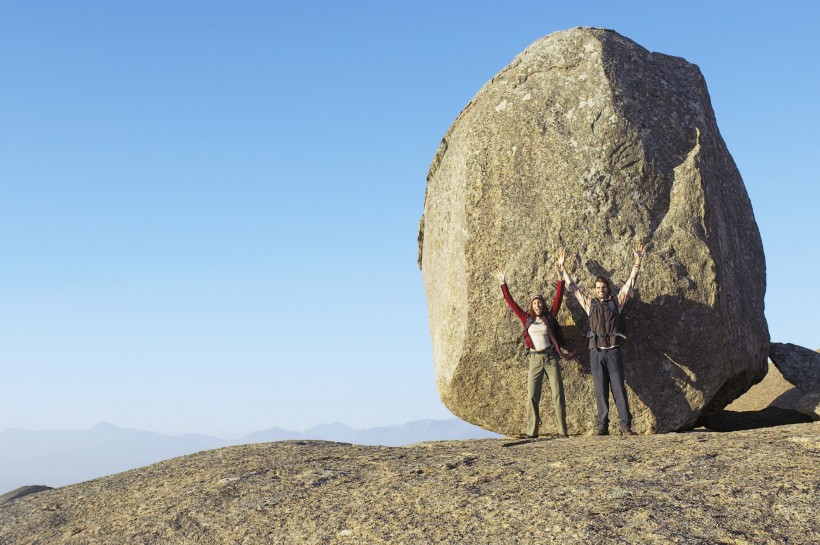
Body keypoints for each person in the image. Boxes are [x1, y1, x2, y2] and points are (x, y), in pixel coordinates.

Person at [558, 244, 644, 436]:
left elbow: (630, 283)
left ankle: (625, 426)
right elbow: (573, 289)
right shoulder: (590, 304)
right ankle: (602, 426)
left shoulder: (617, 302)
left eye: (603, 288)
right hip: (596, 352)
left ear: (608, 288)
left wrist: (637, 261)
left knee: (619, 389)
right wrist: (563, 269)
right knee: (600, 390)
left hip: (613, 351)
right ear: (595, 290)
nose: (601, 290)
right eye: (598, 288)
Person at [495, 260, 575, 439]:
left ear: (543, 305)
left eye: (540, 303)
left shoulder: (549, 316)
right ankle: (532, 431)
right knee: (532, 396)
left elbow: (558, 299)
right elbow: (511, 303)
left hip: (550, 358)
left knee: (558, 394)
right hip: (535, 359)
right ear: (531, 306)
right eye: (535, 304)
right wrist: (503, 284)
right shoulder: (526, 318)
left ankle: (563, 431)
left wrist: (560, 277)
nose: (538, 305)